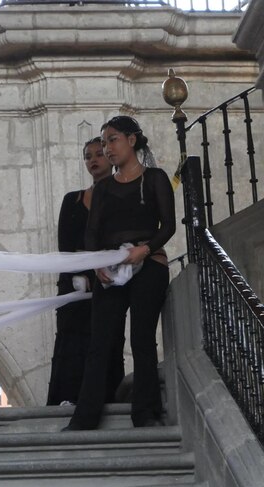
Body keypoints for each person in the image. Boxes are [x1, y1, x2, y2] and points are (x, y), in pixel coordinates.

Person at [64, 116, 175, 431]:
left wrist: (145, 249)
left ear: (132, 140)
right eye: (103, 143)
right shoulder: (104, 189)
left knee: (142, 340)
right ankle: (85, 418)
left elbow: (167, 224)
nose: (107, 148)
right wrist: (97, 263)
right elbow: (91, 232)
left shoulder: (154, 178)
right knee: (100, 342)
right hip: (109, 271)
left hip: (149, 265)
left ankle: (146, 414)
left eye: (112, 140)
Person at [47, 137, 125, 406]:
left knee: (107, 338)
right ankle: (68, 397)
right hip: (75, 280)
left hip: (110, 281)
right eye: (87, 155)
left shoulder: (121, 198)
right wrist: (79, 273)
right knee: (73, 338)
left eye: (98, 154)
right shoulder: (73, 200)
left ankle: (106, 397)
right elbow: (65, 244)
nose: (93, 159)